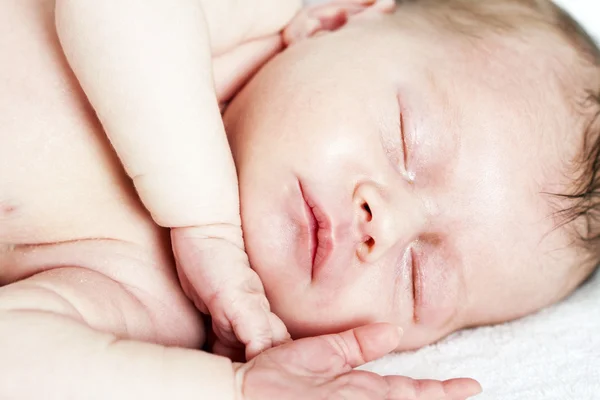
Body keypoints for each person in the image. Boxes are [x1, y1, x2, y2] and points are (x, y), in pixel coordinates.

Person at [0, 0, 598, 398]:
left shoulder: (169, 312)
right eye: (408, 142)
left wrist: (230, 389)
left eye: (420, 279)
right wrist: (202, 219)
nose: (383, 226)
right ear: (337, 19)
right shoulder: (246, 26)